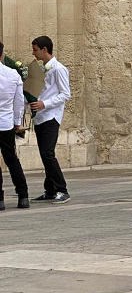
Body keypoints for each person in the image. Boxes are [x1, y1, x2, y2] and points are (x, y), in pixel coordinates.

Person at [29, 36, 71, 204]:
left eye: (35, 50)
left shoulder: (58, 69)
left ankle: (62, 189)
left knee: (48, 153)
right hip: (40, 116)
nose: (33, 53)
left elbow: (65, 94)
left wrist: (44, 103)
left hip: (51, 116)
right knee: (44, 154)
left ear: (44, 49)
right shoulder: (42, 69)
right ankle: (50, 189)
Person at [0, 42, 28, 210]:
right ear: (2, 54)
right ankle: (23, 195)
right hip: (6, 123)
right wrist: (17, 121)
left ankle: (0, 200)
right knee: (12, 159)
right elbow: (19, 102)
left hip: (5, 122)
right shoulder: (12, 74)